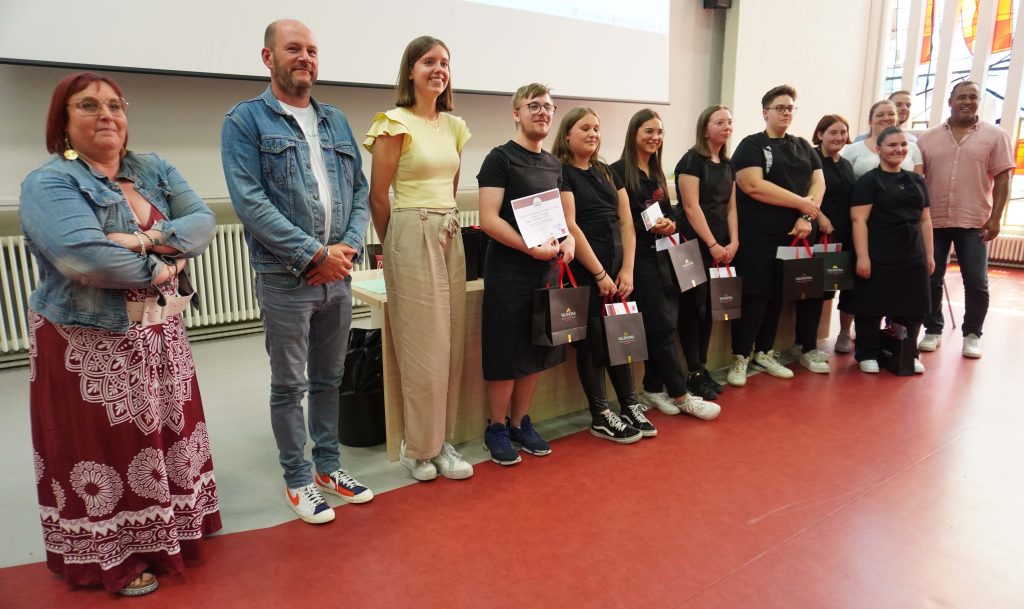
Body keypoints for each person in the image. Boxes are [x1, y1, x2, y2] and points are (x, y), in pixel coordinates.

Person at [19, 71, 221, 596]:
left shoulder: (152, 167)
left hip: (160, 334)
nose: (106, 114)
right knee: (102, 449)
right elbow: (84, 259)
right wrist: (161, 266)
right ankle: (116, 556)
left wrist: (144, 239)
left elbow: (201, 222)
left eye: (114, 105)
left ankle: (171, 532)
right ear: (62, 124)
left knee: (166, 434)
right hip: (88, 342)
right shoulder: (49, 183)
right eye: (88, 106)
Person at [221, 19, 373, 524]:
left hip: (338, 274)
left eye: (311, 49)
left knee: (329, 378)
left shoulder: (336, 121)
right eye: (293, 49)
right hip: (287, 278)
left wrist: (346, 250)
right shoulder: (245, 121)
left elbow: (359, 194)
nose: (305, 57)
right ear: (268, 58)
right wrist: (314, 255)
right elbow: (250, 202)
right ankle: (299, 478)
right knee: (290, 385)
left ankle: (329, 467)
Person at [364, 36, 474, 481]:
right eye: (429, 61)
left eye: (444, 62)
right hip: (411, 229)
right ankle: (417, 447)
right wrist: (397, 245)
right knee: (423, 346)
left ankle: (440, 440)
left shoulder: (454, 127)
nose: (438, 69)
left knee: (451, 340)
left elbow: (450, 188)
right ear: (410, 71)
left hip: (450, 229)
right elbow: (377, 197)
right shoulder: (393, 122)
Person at [477, 83, 575, 464]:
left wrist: (567, 243)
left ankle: (521, 422)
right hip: (509, 272)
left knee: (535, 350)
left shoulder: (554, 164)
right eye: (534, 106)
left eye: (549, 107)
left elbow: (565, 221)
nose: (543, 112)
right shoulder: (499, 159)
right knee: (505, 352)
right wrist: (527, 247)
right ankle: (497, 427)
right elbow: (487, 219)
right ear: (516, 113)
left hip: (545, 272)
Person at [610, 109, 720, 420]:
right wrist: (650, 226)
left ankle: (653, 386)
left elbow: (667, 210)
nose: (655, 137)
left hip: (665, 256)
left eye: (659, 132)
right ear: (634, 133)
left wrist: (670, 223)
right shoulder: (617, 171)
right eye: (648, 131)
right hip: (638, 259)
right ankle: (682, 394)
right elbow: (623, 221)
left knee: (666, 324)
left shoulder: (657, 172)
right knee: (660, 327)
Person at [552, 106, 650, 443]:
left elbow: (627, 223)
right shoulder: (562, 172)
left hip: (618, 272)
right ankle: (601, 414)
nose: (593, 134)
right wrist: (599, 273)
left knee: (620, 335)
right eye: (584, 128)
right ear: (567, 134)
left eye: (596, 128)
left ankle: (630, 405)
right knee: (593, 343)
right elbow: (570, 225)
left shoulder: (608, 171)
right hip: (585, 269)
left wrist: (627, 269)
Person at [727, 85, 826, 385]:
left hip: (795, 233)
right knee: (755, 294)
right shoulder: (751, 145)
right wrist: (801, 204)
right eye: (779, 107)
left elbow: (818, 184)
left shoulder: (802, 146)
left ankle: (765, 351)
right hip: (757, 234)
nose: (786, 112)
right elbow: (752, 185)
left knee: (778, 295)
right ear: (765, 112)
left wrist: (806, 217)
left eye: (790, 108)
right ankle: (740, 356)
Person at [916, 80, 1015, 358]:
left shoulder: (995, 136)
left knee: (976, 281)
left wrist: (996, 219)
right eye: (962, 97)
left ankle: (972, 334)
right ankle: (933, 329)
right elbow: (916, 179)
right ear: (950, 101)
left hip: (974, 222)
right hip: (933, 221)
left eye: (973, 97)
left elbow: (1004, 178)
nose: (967, 101)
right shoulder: (927, 138)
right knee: (931, 277)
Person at [850, 127, 934, 373]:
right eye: (892, 145)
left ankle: (907, 352)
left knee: (913, 305)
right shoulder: (869, 181)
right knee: (872, 304)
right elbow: (859, 220)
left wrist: (929, 254)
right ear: (879, 149)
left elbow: (925, 220)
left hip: (912, 252)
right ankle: (867, 352)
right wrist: (863, 257)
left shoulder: (916, 180)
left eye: (903, 145)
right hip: (880, 251)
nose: (898, 149)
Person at [673, 104, 739, 399]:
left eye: (729, 122)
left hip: (723, 246)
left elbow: (731, 207)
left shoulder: (727, 163)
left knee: (710, 308)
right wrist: (712, 244)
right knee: (692, 309)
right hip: (695, 244)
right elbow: (690, 206)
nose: (727, 127)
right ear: (705, 128)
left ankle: (703, 366)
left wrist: (733, 241)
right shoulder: (691, 161)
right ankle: (693, 371)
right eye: (720, 122)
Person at [812, 114, 858, 354]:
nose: (839, 137)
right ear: (820, 134)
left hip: (845, 231)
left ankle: (840, 333)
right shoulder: (812, 158)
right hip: (820, 230)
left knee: (841, 283)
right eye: (833, 132)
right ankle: (809, 343)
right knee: (817, 289)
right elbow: (804, 193)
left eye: (843, 132)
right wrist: (819, 217)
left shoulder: (845, 163)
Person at [842, 100, 923, 178]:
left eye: (891, 114)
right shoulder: (852, 149)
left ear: (897, 120)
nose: (886, 118)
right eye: (880, 115)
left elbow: (918, 184)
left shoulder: (912, 148)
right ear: (870, 121)